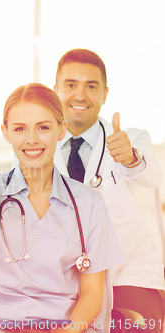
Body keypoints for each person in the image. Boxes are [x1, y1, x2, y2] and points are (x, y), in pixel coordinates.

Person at [0, 83, 123, 333]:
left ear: (61, 129)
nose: (31, 139)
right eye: (20, 129)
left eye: (43, 127)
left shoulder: (88, 203)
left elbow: (93, 291)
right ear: (6, 132)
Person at [53, 49, 165, 332]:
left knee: (139, 325)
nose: (80, 95)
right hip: (62, 278)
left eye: (91, 86)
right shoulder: (40, 143)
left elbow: (155, 175)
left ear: (104, 94)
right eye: (71, 85)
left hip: (128, 272)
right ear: (55, 90)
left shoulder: (132, 139)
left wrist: (130, 157)